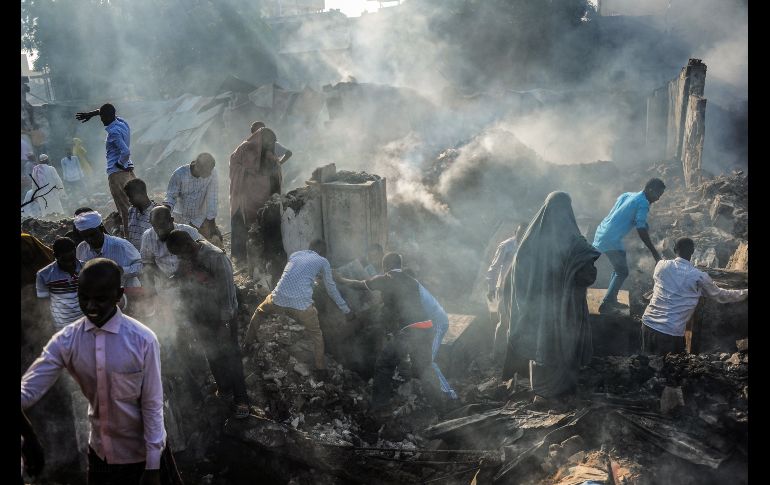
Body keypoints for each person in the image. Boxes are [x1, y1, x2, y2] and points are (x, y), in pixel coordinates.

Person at [21, 259, 167, 485]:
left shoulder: (143, 340)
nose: (90, 306)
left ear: (118, 295)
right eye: (84, 297)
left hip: (140, 458)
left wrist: (153, 466)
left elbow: (152, 404)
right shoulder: (67, 340)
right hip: (99, 454)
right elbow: (27, 391)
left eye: (100, 299)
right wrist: (28, 436)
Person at [501, 191, 600, 400]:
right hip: (566, 311)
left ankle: (542, 392)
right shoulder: (576, 243)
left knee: (540, 346)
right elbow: (589, 276)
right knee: (565, 345)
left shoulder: (528, 243)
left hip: (537, 313)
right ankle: (562, 393)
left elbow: (516, 279)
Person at [335, 252, 455, 413]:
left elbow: (360, 285)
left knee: (384, 364)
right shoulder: (412, 281)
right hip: (426, 328)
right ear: (400, 265)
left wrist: (341, 280)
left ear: (386, 267)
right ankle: (441, 406)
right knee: (424, 367)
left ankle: (380, 408)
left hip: (409, 331)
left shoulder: (387, 278)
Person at [165, 230, 250, 419]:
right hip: (200, 315)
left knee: (231, 356)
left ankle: (242, 399)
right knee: (211, 353)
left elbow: (228, 293)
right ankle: (224, 389)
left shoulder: (216, 257)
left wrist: (224, 323)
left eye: (181, 254)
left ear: (188, 244)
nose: (180, 258)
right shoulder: (186, 255)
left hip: (222, 316)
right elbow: (181, 277)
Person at [244, 239, 352, 373]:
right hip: (302, 307)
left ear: (310, 248)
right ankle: (321, 369)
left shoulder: (295, 255)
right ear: (323, 253)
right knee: (317, 336)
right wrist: (346, 310)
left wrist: (314, 281)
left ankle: (247, 344)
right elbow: (331, 289)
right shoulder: (323, 261)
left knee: (259, 312)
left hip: (278, 298)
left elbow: (293, 277)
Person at [641, 237, 748, 355]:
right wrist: (745, 292)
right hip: (670, 332)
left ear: (675, 249)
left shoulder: (661, 266)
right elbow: (721, 295)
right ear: (692, 251)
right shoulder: (698, 277)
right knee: (670, 370)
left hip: (648, 324)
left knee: (647, 365)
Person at [593, 178, 665, 314]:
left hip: (602, 231)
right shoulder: (643, 203)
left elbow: (623, 214)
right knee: (622, 271)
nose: (658, 199)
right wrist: (655, 253)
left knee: (619, 269)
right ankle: (606, 304)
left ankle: (611, 298)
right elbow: (641, 230)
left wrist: (643, 224)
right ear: (650, 190)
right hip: (611, 238)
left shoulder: (628, 195)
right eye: (657, 195)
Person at [75, 103, 135, 236]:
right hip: (128, 171)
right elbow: (108, 111)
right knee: (134, 205)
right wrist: (93, 114)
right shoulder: (122, 123)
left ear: (107, 116)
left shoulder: (113, 132)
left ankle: (130, 237)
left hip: (117, 173)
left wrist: (119, 164)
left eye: (102, 117)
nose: (101, 120)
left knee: (124, 208)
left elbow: (125, 151)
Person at [229, 126, 281, 263]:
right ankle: (240, 258)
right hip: (244, 196)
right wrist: (247, 172)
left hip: (263, 195)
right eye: (267, 141)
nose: (269, 144)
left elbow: (275, 171)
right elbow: (233, 164)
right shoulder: (245, 148)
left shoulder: (269, 152)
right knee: (242, 223)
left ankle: (262, 257)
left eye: (271, 142)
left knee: (262, 224)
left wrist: (275, 164)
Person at [486, 223, 526, 361]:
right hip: (504, 289)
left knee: (520, 322)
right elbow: (494, 267)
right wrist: (491, 287)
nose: (522, 236)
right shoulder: (507, 245)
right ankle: (497, 354)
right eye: (520, 233)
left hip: (521, 290)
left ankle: (515, 355)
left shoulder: (529, 245)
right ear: (516, 232)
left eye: (524, 233)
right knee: (504, 322)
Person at [74, 210, 142, 289]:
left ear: (101, 228)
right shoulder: (81, 249)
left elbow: (142, 266)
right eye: (85, 236)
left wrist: (122, 271)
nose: (90, 239)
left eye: (92, 234)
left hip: (130, 293)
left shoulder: (121, 245)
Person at [140, 206, 202, 290]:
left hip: (192, 282)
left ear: (171, 220)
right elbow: (147, 264)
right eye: (155, 226)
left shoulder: (189, 231)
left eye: (162, 226)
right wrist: (152, 290)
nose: (159, 231)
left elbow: (202, 254)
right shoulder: (147, 237)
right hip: (166, 286)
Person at [163, 153, 221, 243]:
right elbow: (171, 197)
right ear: (198, 167)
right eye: (207, 172)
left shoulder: (212, 173)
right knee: (183, 246)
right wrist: (165, 216)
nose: (210, 174)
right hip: (180, 218)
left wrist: (213, 229)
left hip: (199, 218)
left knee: (214, 244)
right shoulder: (179, 174)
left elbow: (212, 199)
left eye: (211, 171)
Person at [36, 237, 85, 330]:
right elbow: (43, 304)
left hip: (87, 324)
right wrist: (48, 327)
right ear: (55, 256)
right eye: (64, 260)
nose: (69, 264)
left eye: (71, 259)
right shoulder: (43, 275)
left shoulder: (87, 268)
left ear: (75, 251)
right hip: (62, 328)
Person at [125, 178, 161, 251]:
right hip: (135, 257)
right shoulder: (131, 210)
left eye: (131, 197)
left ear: (141, 194)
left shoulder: (158, 212)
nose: (129, 200)